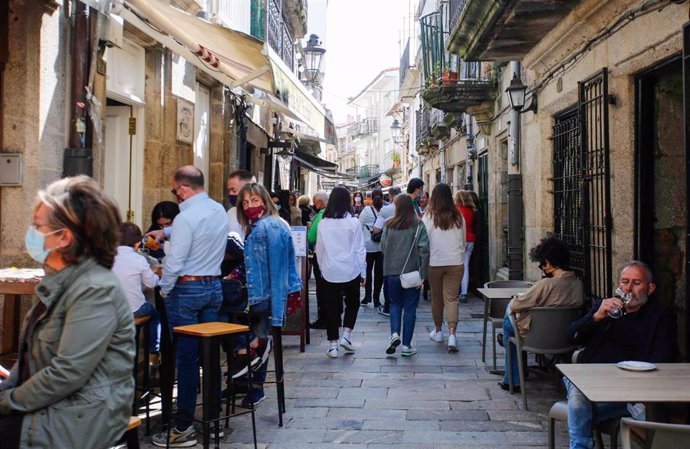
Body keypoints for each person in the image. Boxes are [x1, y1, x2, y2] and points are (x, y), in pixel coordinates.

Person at [0, 176, 134, 449]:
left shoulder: (95, 289)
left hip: (77, 419)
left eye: (38, 226)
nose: (31, 233)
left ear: (64, 237)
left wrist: (6, 402)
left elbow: (66, 373)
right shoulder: (61, 281)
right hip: (56, 408)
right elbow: (29, 363)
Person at [150, 166, 229, 448]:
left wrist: (164, 288)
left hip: (187, 289)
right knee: (210, 358)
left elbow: (176, 262)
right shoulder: (218, 210)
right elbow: (198, 228)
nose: (176, 196)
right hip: (213, 286)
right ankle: (213, 421)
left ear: (182, 189)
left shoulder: (185, 218)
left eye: (175, 191)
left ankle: (182, 427)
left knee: (186, 360)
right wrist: (166, 232)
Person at [564, 261, 677, 449]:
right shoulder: (604, 308)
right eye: (624, 282)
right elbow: (571, 337)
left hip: (628, 388)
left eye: (636, 283)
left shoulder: (660, 316)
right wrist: (596, 317)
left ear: (650, 288)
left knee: (578, 407)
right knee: (578, 398)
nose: (628, 288)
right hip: (590, 380)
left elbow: (664, 357)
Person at [236, 182, 302, 406]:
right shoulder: (257, 225)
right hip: (258, 294)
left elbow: (277, 269)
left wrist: (277, 310)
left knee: (226, 315)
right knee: (248, 332)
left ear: (264, 201)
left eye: (254, 201)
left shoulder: (270, 226)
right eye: (245, 202)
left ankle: (254, 379)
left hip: (264, 296)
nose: (249, 206)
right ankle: (248, 381)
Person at [498, 235, 583, 392]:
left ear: (549, 263)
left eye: (541, 264)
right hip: (564, 339)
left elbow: (516, 305)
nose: (542, 268)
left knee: (509, 317)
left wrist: (519, 300)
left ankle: (512, 379)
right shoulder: (577, 284)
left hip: (535, 337)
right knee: (511, 326)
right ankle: (512, 356)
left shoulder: (546, 284)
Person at [315, 186, 366, 358]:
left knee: (331, 307)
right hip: (351, 269)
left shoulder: (323, 223)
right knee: (353, 303)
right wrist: (363, 271)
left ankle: (333, 345)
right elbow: (360, 249)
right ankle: (346, 334)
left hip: (330, 270)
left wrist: (322, 267)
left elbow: (319, 249)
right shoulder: (353, 222)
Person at [380, 194, 430, 357]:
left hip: (391, 272)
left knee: (395, 305)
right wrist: (423, 274)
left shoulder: (389, 224)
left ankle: (395, 333)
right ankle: (407, 345)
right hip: (411, 272)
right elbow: (424, 250)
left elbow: (382, 247)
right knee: (410, 308)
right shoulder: (418, 224)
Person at [423, 183, 465, 353]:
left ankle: (438, 331)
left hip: (435, 262)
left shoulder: (428, 216)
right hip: (455, 261)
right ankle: (452, 334)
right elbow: (463, 240)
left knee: (437, 297)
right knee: (452, 298)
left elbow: (424, 241)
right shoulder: (458, 216)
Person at [112, 222, 161, 367]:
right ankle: (153, 352)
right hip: (134, 310)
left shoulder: (106, 258)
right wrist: (158, 277)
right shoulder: (138, 259)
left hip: (109, 310)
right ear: (137, 243)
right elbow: (152, 283)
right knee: (155, 315)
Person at [372, 185, 402, 316]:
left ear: (390, 195)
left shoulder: (385, 210)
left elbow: (376, 229)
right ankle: (401, 303)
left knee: (388, 276)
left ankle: (388, 306)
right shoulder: (409, 209)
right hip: (405, 246)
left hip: (389, 246)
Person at [307, 191, 329, 329]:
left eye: (315, 202)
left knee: (322, 289)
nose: (314, 205)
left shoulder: (321, 216)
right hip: (334, 257)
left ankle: (323, 318)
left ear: (320, 202)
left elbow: (311, 238)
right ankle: (335, 317)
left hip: (321, 256)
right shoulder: (337, 214)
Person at [359, 188, 384, 308]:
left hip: (368, 246)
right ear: (383, 198)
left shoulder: (366, 210)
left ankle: (367, 296)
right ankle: (377, 299)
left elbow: (359, 226)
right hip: (382, 246)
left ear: (371, 198)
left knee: (367, 271)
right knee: (379, 273)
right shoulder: (386, 210)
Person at [455, 190, 476, 303]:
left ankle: (457, 290)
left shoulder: (457, 211)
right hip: (470, 240)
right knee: (466, 266)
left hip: (460, 240)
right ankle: (464, 292)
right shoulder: (472, 211)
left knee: (457, 267)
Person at [226, 169, 256, 240]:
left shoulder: (260, 215)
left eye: (234, 190)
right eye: (229, 190)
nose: (230, 194)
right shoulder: (230, 213)